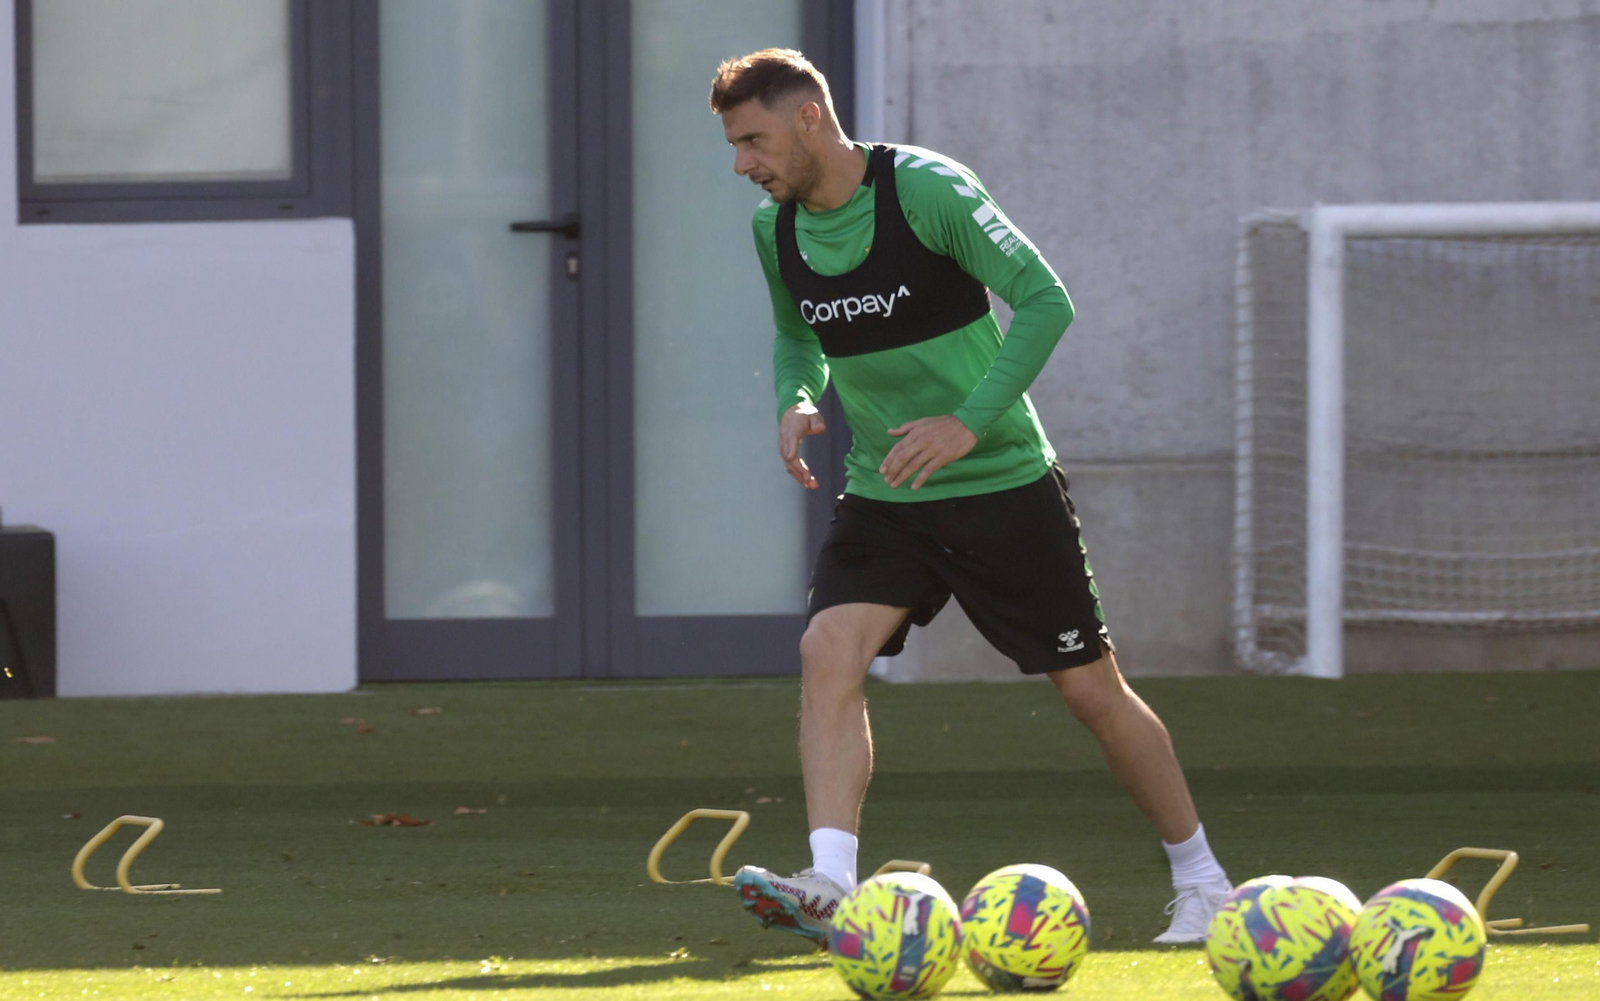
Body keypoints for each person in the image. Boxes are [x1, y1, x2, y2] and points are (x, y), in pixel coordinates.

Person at [709, 48, 1229, 946]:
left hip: (999, 482)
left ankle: (1205, 879)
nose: (742, 164)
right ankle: (832, 878)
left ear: (806, 119)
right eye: (732, 144)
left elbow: (1045, 299)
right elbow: (798, 338)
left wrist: (968, 421)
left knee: (1093, 694)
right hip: (885, 489)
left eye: (753, 139)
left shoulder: (927, 190)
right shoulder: (776, 230)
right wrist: (795, 398)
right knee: (828, 648)